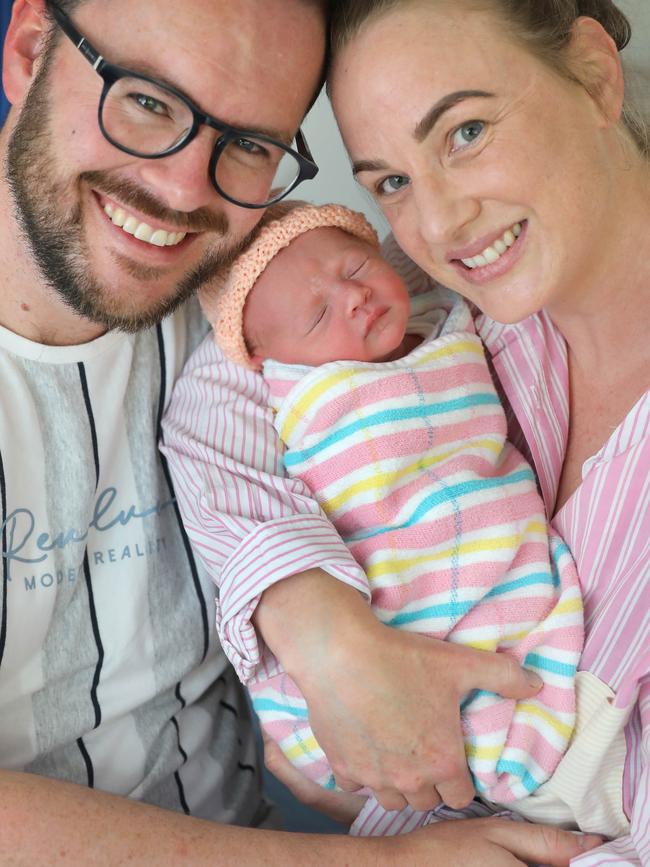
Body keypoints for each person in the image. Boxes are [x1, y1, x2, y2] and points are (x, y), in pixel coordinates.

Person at [0, 0, 598, 863]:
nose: (181, 190)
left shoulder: (238, 305)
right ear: (25, 50)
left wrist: (325, 627)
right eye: (146, 100)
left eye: (247, 145)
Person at [162, 0, 648, 863]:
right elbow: (230, 383)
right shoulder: (466, 303)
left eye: (465, 132)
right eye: (390, 180)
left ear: (596, 76)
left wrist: (383, 830)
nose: (440, 224)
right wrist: (321, 628)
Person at [199, 198, 583, 829]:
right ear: (275, 361)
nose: (352, 297)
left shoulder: (444, 319)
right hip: (393, 593)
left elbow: (421, 239)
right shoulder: (292, 399)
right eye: (319, 313)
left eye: (355, 267)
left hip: (494, 543)